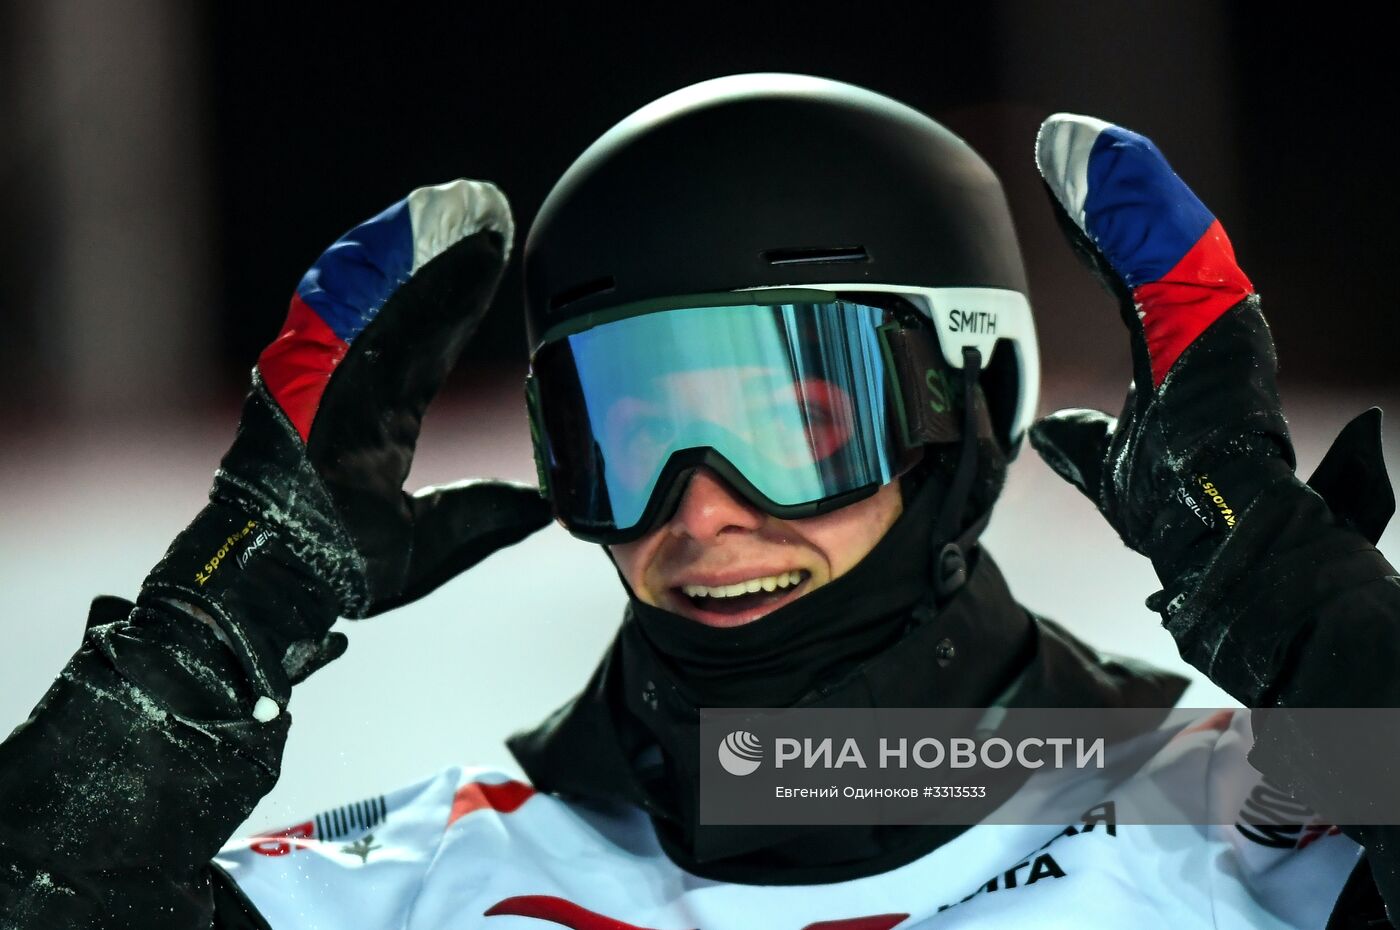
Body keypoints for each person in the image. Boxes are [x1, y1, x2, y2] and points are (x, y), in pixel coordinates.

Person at [0, 73, 1395, 929]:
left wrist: (1312, 615)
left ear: (964, 413)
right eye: (627, 439)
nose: (701, 511)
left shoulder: (1247, 813)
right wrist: (210, 637)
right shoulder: (420, 876)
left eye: (791, 421)